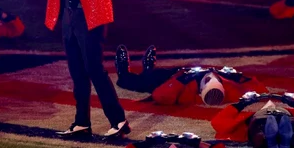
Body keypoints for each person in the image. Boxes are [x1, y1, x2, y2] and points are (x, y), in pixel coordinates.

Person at [15, 0, 145, 137]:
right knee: (77, 71)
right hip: (69, 15)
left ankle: (118, 121)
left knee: (94, 69)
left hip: (91, 16)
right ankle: (82, 122)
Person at [115, 44, 269, 106]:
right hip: (183, 76)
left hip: (175, 84)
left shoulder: (189, 95)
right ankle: (148, 70)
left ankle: (124, 74)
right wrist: (239, 76)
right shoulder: (230, 87)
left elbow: (160, 95)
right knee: (156, 76)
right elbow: (260, 89)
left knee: (148, 81)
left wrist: (183, 80)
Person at [211, 91, 294, 148]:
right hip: (286, 118)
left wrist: (242, 103)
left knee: (260, 129)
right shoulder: (292, 113)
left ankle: (270, 141)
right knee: (290, 126)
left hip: (262, 120)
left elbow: (218, 122)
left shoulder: (253, 117)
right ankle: (285, 143)